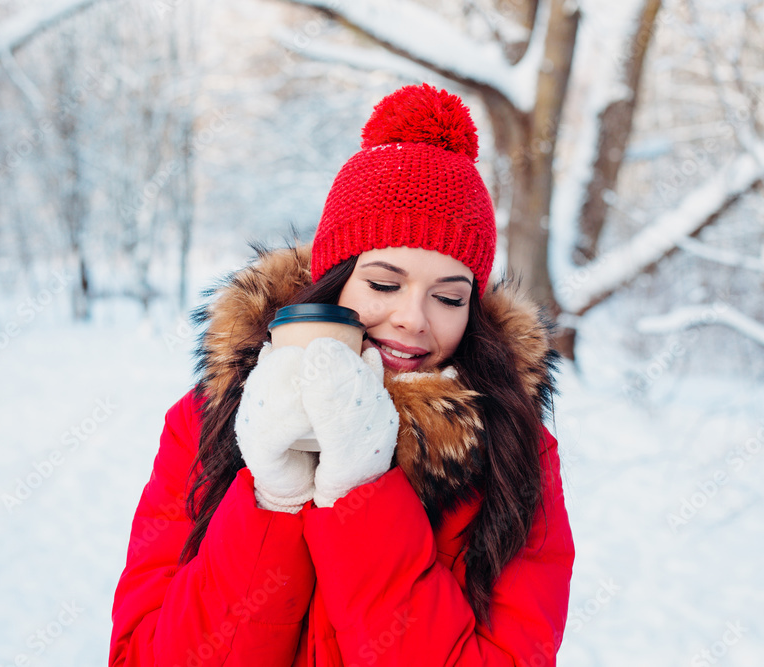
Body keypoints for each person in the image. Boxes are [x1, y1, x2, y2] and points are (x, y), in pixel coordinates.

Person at [109, 83, 574, 666]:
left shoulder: (513, 452)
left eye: (449, 298)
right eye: (384, 284)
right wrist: (271, 502)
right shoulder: (208, 419)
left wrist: (363, 495)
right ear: (334, 280)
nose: (413, 319)